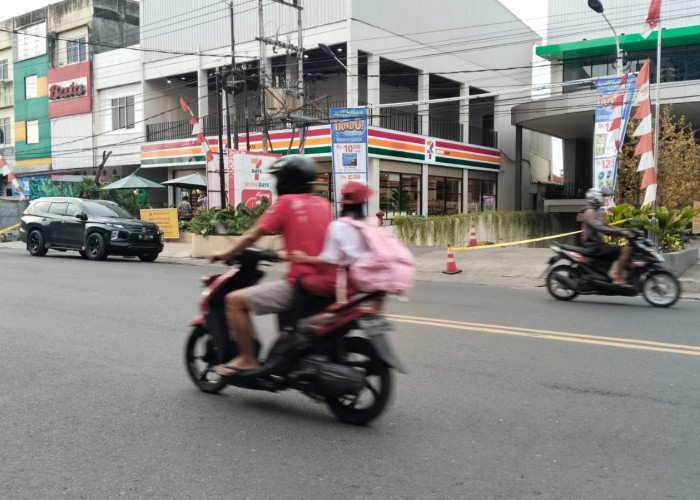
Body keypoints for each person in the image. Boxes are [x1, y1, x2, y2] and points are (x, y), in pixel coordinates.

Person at [210, 155, 334, 376]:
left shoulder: (286, 203)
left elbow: (252, 236)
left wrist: (225, 253)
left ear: (286, 180)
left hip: (304, 283)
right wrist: (282, 255)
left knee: (234, 300)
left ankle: (247, 359)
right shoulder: (324, 204)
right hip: (330, 280)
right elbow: (314, 243)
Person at [290, 181, 371, 298]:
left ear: (343, 201)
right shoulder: (367, 224)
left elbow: (330, 259)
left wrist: (303, 259)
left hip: (345, 281)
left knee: (300, 283)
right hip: (365, 277)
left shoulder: (339, 225)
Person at [579, 187, 634, 286]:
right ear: (596, 198)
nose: (604, 199)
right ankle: (617, 277)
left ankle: (618, 272)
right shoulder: (589, 212)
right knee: (625, 248)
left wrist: (623, 230)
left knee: (628, 245)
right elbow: (599, 227)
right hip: (594, 244)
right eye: (603, 197)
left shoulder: (596, 212)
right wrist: (621, 232)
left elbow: (607, 226)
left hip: (600, 241)